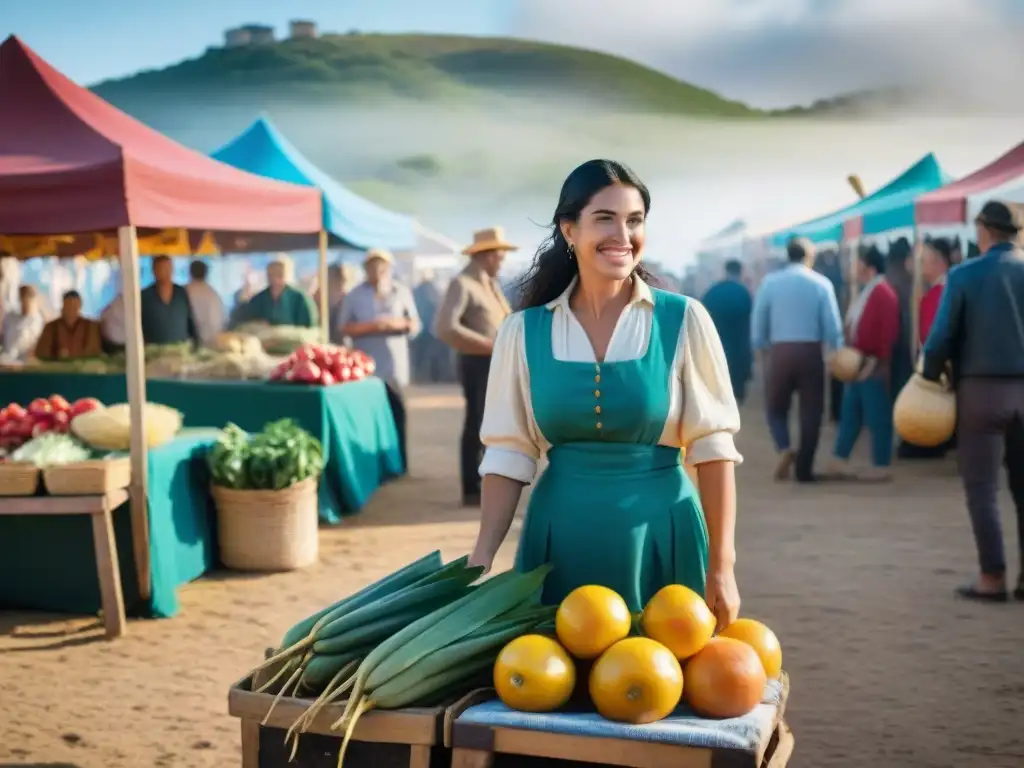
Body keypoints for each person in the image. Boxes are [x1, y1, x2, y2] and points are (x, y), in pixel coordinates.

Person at [467, 159, 742, 630]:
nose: (623, 234)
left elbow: (713, 450)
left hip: (663, 537)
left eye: (635, 221)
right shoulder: (522, 331)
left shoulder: (684, 320)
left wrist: (723, 566)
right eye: (605, 219)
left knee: (654, 689)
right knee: (550, 688)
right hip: (558, 542)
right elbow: (508, 454)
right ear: (569, 230)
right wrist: (482, 558)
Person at [921, 200, 1024, 603]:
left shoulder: (964, 275)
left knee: (982, 487)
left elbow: (941, 336)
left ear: (983, 229)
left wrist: (931, 377)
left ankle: (992, 577)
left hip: (981, 391)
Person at [434, 227, 516, 506]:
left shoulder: (488, 283)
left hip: (494, 362)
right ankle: (471, 487)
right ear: (488, 255)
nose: (503, 259)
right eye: (500, 254)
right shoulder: (463, 283)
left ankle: (483, 481)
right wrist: (488, 345)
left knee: (491, 423)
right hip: (478, 363)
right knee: (478, 423)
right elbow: (445, 327)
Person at [751, 237, 844, 483]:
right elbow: (833, 325)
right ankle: (804, 469)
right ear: (809, 256)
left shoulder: (770, 283)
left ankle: (784, 446)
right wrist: (836, 350)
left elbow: (759, 318)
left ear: (787, 255)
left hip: (780, 352)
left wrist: (760, 346)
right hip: (811, 352)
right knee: (812, 411)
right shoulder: (821, 284)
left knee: (775, 408)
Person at [337, 249, 421, 472]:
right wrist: (373, 326)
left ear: (389, 268)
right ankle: (372, 466)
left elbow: (414, 325)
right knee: (369, 418)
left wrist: (395, 324)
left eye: (382, 266)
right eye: (372, 266)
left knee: (396, 415)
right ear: (366, 269)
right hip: (365, 367)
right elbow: (344, 327)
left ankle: (400, 464)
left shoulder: (400, 292)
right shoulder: (354, 295)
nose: (377, 270)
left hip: (394, 367)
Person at [827, 246, 900, 482]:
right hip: (858, 363)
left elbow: (887, 333)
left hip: (873, 365)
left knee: (877, 416)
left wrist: (877, 360)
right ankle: (839, 458)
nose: (854, 268)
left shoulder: (883, 293)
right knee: (850, 414)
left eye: (857, 264)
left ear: (868, 267)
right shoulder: (869, 291)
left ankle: (881, 464)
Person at [899, 238, 957, 460]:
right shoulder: (940, 291)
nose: (921, 267)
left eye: (924, 262)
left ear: (938, 263)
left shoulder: (940, 293)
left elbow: (932, 334)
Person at [701, 259, 753, 404]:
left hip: (716, 338)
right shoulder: (743, 291)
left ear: (726, 271)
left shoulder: (713, 291)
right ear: (740, 272)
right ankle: (738, 395)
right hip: (739, 340)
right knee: (737, 367)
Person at [237, 257, 318, 328]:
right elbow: (246, 322)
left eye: (279, 275)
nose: (275, 279)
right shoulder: (258, 299)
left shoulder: (300, 299)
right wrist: (258, 324)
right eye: (271, 275)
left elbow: (310, 327)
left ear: (287, 275)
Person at [140, 255, 199, 346]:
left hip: (180, 351)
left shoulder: (181, 293)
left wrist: (196, 345)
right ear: (154, 271)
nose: (166, 273)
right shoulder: (145, 296)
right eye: (162, 269)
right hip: (154, 351)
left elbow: (190, 321)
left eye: (168, 268)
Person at [35, 290, 102, 360]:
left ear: (79, 306)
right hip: (57, 368)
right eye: (68, 305)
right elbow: (41, 353)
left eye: (74, 306)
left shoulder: (91, 327)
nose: (71, 309)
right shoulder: (51, 327)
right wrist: (57, 355)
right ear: (63, 306)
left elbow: (94, 353)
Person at [0, 284, 45, 363]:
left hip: (27, 365)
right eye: (23, 298)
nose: (26, 301)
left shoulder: (40, 321)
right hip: (6, 362)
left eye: (29, 297)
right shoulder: (10, 318)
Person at [185, 260, 225, 347]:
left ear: (190, 272)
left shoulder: (183, 292)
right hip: (211, 344)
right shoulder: (214, 295)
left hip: (186, 345)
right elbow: (220, 322)